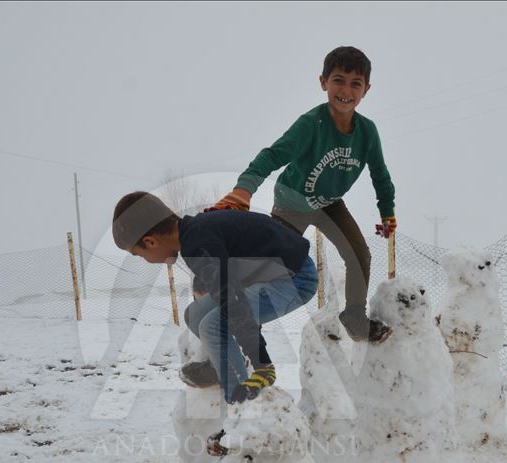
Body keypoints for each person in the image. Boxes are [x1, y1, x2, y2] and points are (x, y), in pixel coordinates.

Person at [210, 46, 396, 343]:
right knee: (272, 264)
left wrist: (387, 212)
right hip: (291, 205)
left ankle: (355, 318)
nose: (346, 90)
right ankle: (233, 312)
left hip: (330, 205)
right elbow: (271, 156)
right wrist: (242, 191)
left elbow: (381, 175)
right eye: (338, 80)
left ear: (366, 90)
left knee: (359, 253)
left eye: (355, 83)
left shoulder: (367, 132)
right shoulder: (311, 125)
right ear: (323, 82)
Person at [112, 191, 318, 405]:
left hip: (295, 279)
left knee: (212, 325)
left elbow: (233, 301)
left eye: (138, 254)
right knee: (195, 314)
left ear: (150, 241)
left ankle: (241, 402)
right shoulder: (195, 234)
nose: (144, 260)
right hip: (274, 275)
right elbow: (230, 289)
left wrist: (262, 363)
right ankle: (226, 366)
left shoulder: (197, 244)